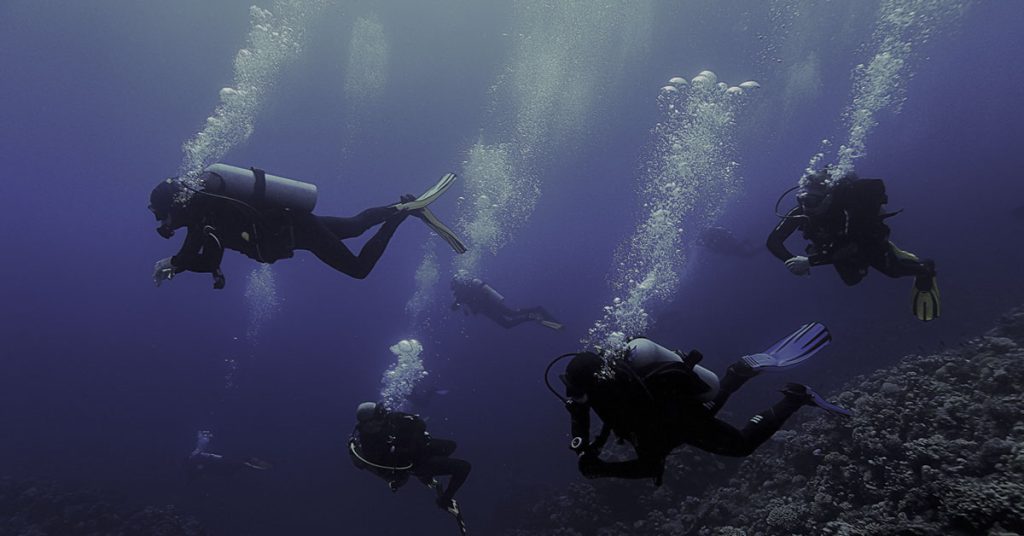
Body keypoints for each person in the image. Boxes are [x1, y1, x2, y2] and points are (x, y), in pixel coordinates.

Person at [554, 323, 849, 485]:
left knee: (741, 445)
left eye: (576, 391)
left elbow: (648, 465)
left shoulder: (621, 399)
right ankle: (736, 374)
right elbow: (579, 413)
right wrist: (582, 448)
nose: (574, 398)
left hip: (676, 418)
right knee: (708, 407)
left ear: (593, 385)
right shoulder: (600, 385)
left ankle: (796, 397)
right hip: (675, 411)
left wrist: (603, 469)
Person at [150, 164, 464, 289]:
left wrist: (174, 265)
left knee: (358, 269)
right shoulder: (205, 215)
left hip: (299, 231)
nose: (164, 224)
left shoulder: (207, 214)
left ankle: (401, 213)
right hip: (295, 226)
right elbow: (204, 257)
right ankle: (400, 206)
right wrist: (182, 266)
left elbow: (199, 256)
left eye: (163, 216)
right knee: (354, 226)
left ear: (176, 206)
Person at [767, 168, 940, 321]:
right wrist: (791, 261)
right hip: (835, 249)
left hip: (865, 242)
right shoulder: (803, 211)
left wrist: (809, 262)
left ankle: (925, 269)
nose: (805, 207)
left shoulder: (849, 208)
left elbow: (855, 245)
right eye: (801, 200)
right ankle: (889, 255)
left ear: (827, 198)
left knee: (893, 271)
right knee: (852, 279)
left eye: (811, 201)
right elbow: (773, 241)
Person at [348, 402, 471, 523]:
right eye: (379, 416)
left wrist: (413, 434)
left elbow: (419, 424)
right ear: (369, 424)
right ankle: (444, 501)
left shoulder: (389, 420)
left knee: (451, 446)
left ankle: (427, 477)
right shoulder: (370, 445)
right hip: (415, 463)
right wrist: (407, 445)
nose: (383, 416)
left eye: (381, 413)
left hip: (420, 449)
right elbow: (395, 461)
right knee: (463, 467)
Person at [450, 271, 563, 330]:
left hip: (490, 304)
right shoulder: (461, 293)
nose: (455, 290)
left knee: (510, 316)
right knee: (509, 320)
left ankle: (535, 312)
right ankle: (532, 315)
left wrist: (457, 302)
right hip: (487, 308)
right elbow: (456, 306)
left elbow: (457, 305)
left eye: (454, 287)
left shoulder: (464, 291)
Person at [184, 430, 271, 481]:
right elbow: (207, 457)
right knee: (239, 464)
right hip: (223, 464)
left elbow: (208, 456)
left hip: (222, 463)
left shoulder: (197, 455)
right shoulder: (197, 456)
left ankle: (253, 464)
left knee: (239, 463)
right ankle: (253, 464)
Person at [696, 226, 761, 258]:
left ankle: (759, 246)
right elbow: (712, 247)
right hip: (728, 247)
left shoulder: (708, 235)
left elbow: (713, 246)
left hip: (728, 246)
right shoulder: (707, 237)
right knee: (747, 254)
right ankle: (759, 246)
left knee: (747, 254)